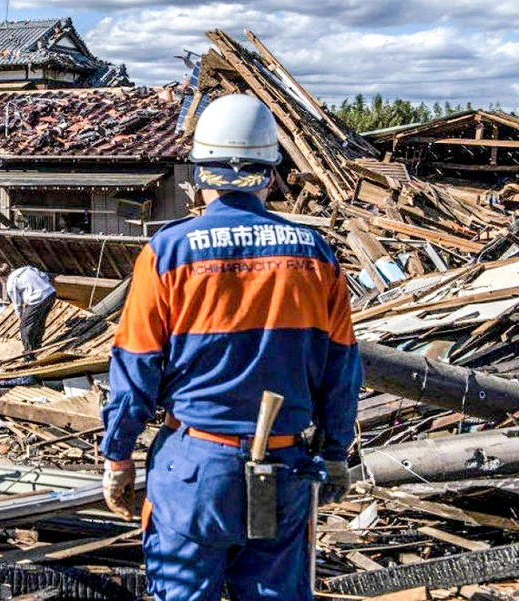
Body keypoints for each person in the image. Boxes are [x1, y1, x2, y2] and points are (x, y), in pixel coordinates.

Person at [99, 94, 362, 601]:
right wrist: (333, 454)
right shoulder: (316, 255)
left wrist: (118, 456)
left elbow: (134, 369)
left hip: (196, 468)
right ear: (270, 172)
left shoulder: (168, 253)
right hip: (283, 469)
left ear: (201, 172)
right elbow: (342, 368)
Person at [0, 264, 56, 360]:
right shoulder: (27, 268)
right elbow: (45, 276)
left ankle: (29, 356)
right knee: (39, 321)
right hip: (50, 293)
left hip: (37, 299)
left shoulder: (11, 282)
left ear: (1, 277)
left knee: (25, 328)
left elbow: (17, 304)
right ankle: (37, 345)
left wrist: (21, 319)